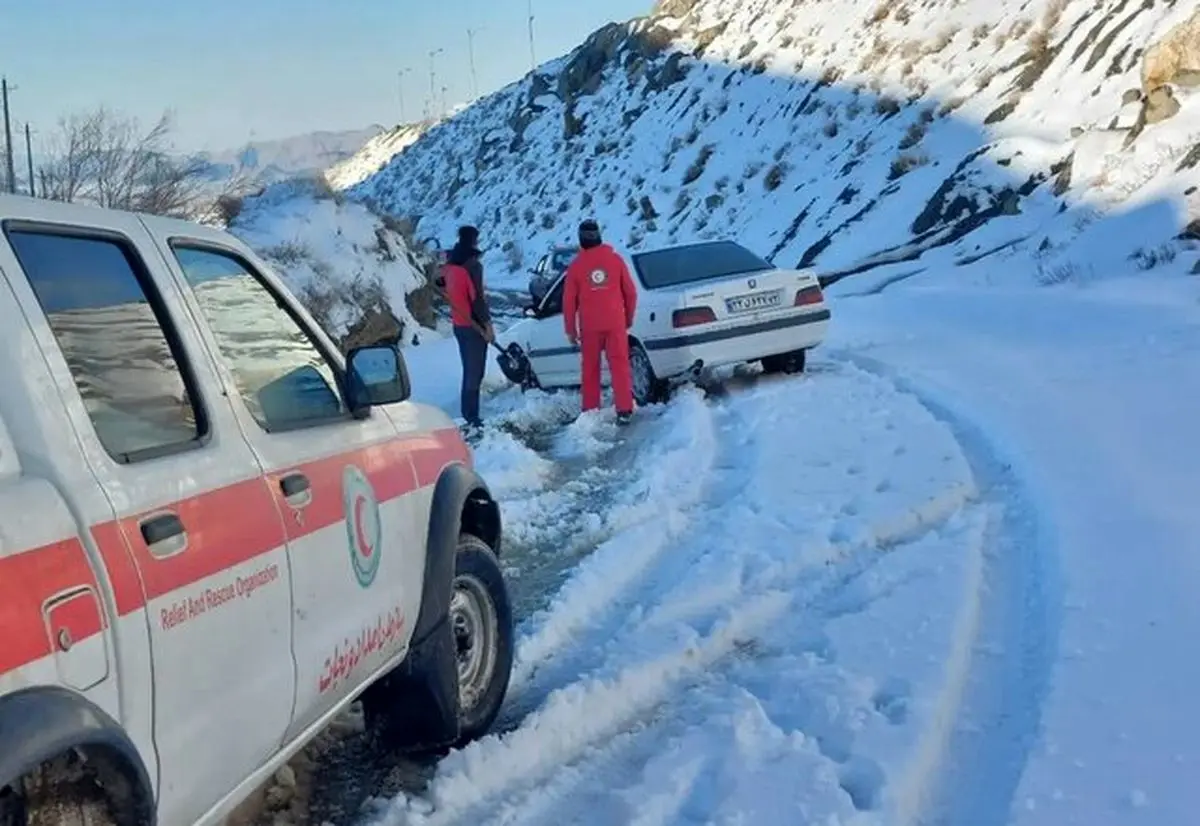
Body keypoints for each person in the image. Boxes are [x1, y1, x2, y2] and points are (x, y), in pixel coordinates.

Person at [562, 219, 638, 425]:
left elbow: (568, 302)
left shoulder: (576, 267)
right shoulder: (616, 260)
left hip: (590, 326)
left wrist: (570, 329)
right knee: (620, 365)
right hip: (615, 322)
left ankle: (590, 410)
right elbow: (630, 293)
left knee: (590, 368)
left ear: (581, 241)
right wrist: (628, 318)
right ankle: (624, 409)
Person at [441, 225, 494, 431]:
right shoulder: (472, 266)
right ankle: (472, 417)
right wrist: (488, 326)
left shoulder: (450, 264)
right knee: (475, 371)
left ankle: (469, 413)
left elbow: (440, 284)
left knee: (469, 369)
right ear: (474, 241)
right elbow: (478, 299)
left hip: (459, 325)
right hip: (474, 326)